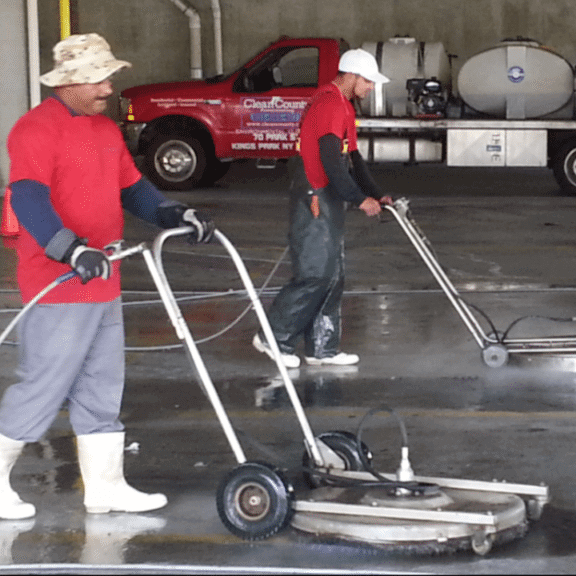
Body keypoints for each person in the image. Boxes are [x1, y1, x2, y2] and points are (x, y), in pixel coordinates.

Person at [0, 33, 214, 519]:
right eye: (97, 79)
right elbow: (28, 200)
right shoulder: (35, 130)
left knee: (102, 386)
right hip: (58, 283)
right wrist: (69, 249)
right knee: (44, 385)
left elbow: (134, 190)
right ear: (68, 82)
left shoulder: (105, 130)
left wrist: (175, 213)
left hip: (105, 276)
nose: (107, 88)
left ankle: (106, 486)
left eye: (108, 77)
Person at [253, 48, 393, 368]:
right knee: (316, 272)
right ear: (352, 76)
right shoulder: (329, 103)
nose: (372, 87)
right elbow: (331, 159)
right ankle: (273, 338)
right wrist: (359, 200)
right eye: (369, 81)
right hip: (314, 195)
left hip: (329, 196)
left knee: (333, 274)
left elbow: (353, 160)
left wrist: (377, 194)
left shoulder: (344, 106)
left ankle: (322, 348)